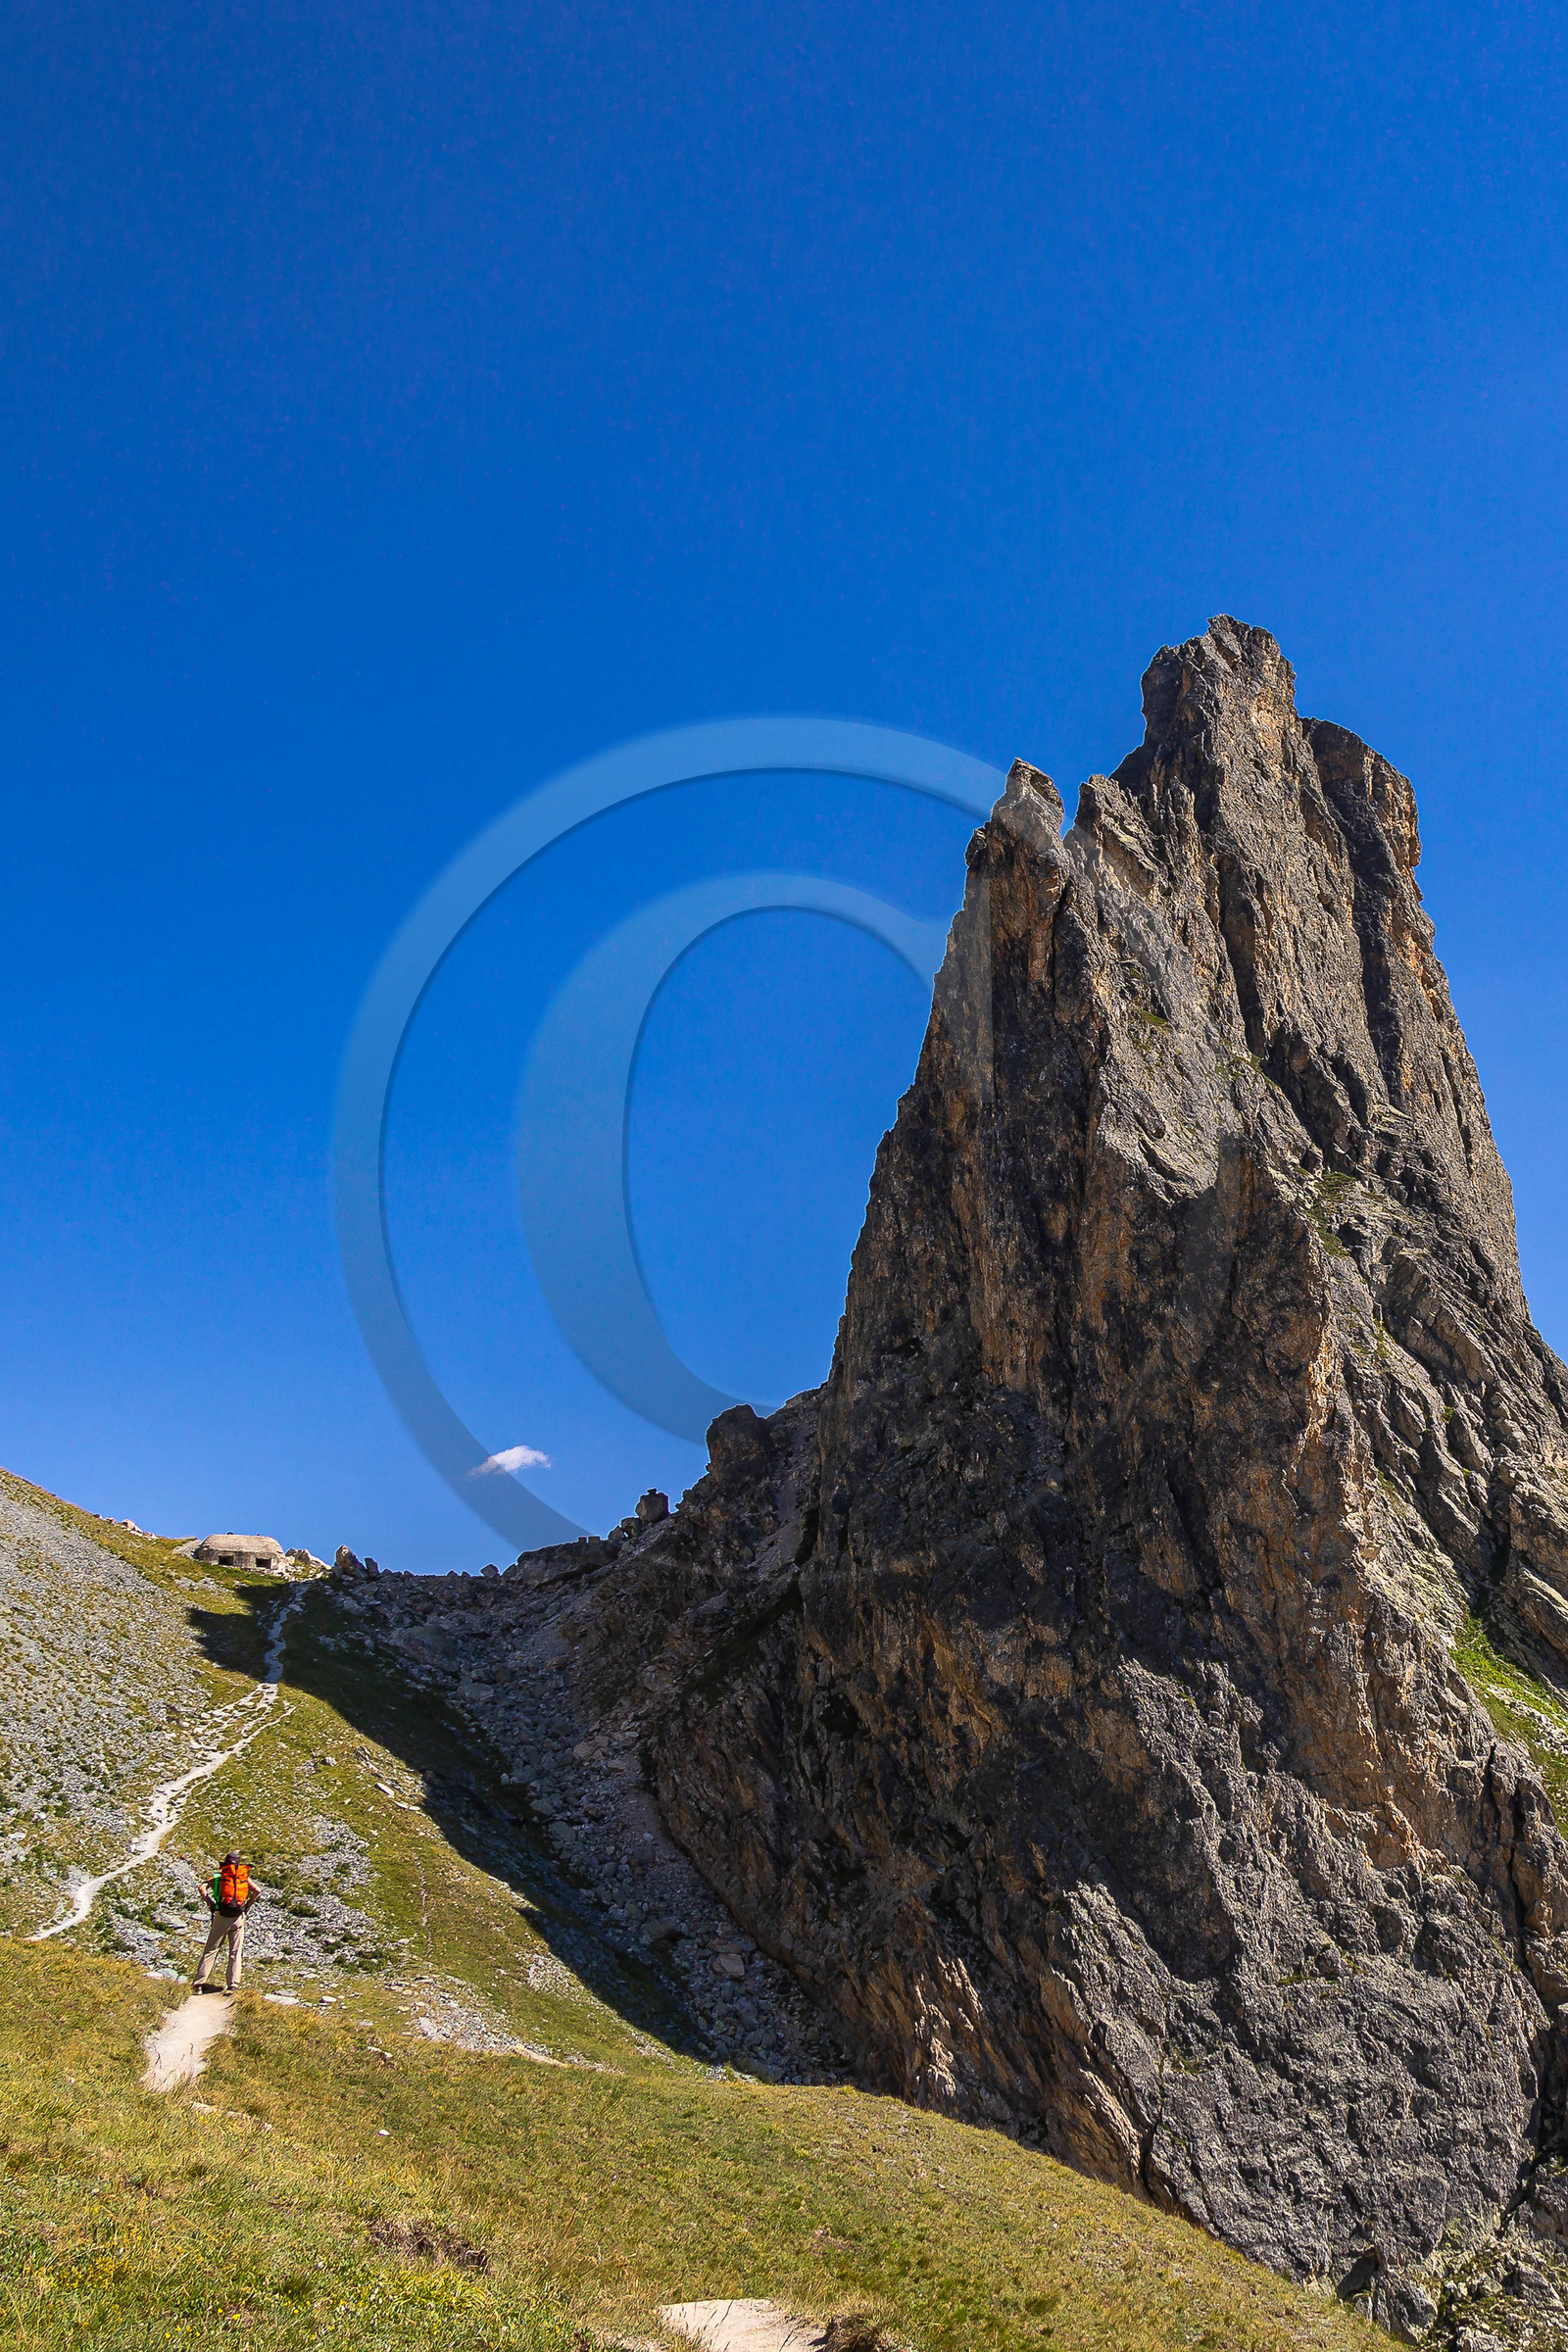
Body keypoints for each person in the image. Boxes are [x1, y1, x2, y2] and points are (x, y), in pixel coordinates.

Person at [194, 1851, 257, 1992]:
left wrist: (210, 1902)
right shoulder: (243, 1877)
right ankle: (233, 1985)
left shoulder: (219, 1876)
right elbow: (257, 1891)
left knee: (211, 1950)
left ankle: (199, 1984)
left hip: (221, 1916)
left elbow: (201, 1888)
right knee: (235, 1952)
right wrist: (247, 1906)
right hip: (238, 1918)